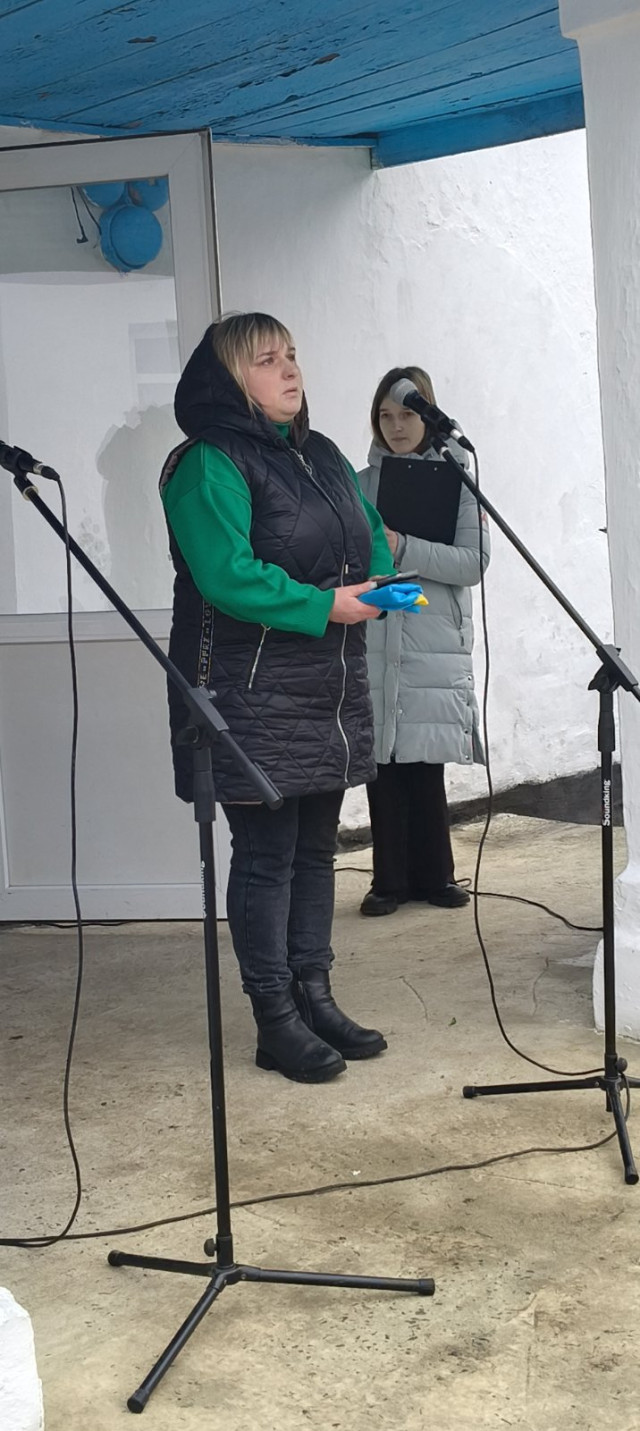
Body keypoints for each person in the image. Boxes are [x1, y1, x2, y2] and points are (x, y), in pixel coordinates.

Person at [159, 313, 395, 1083]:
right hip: (245, 692)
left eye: (292, 354)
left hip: (326, 688)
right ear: (231, 378)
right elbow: (227, 575)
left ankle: (314, 995)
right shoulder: (206, 463)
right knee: (267, 856)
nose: (290, 369)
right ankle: (275, 1018)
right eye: (268, 359)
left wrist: (381, 586)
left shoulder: (321, 453)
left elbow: (371, 534)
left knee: (316, 851)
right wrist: (328, 604)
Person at [358, 365, 490, 917]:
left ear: (428, 416)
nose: (396, 426)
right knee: (383, 759)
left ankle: (438, 877)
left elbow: (472, 563)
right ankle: (386, 882)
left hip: (433, 635)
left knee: (425, 760)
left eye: (407, 415)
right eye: (385, 416)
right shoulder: (359, 484)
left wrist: (402, 545)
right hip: (375, 633)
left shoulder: (458, 481)